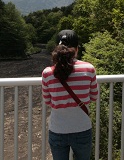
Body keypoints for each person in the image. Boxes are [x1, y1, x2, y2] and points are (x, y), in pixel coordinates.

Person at [41, 30, 99, 160]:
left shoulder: (47, 72)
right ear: (77, 49)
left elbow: (48, 100)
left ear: (57, 48)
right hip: (82, 128)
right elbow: (94, 97)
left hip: (58, 129)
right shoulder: (89, 68)